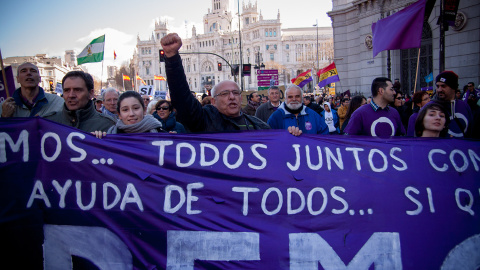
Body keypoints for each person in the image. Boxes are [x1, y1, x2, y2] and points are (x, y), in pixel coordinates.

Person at [160, 33, 270, 132]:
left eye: (235, 93)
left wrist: (287, 136)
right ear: (213, 101)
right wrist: (172, 58)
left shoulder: (258, 125)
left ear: (241, 99)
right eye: (225, 93)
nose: (232, 97)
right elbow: (182, 98)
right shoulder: (204, 120)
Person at [45, 71, 115, 132]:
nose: (71, 95)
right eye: (67, 90)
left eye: (77, 90)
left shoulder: (108, 126)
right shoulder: (48, 122)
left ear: (91, 93)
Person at [92, 91, 164, 138]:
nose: (131, 114)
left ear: (144, 110)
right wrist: (97, 139)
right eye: (125, 110)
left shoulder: (160, 134)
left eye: (136, 108)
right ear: (119, 114)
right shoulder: (110, 135)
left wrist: (173, 138)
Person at [433, 71, 473, 137]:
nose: (439, 90)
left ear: (454, 88)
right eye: (437, 86)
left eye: (443, 86)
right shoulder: (429, 108)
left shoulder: (464, 106)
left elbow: (471, 133)